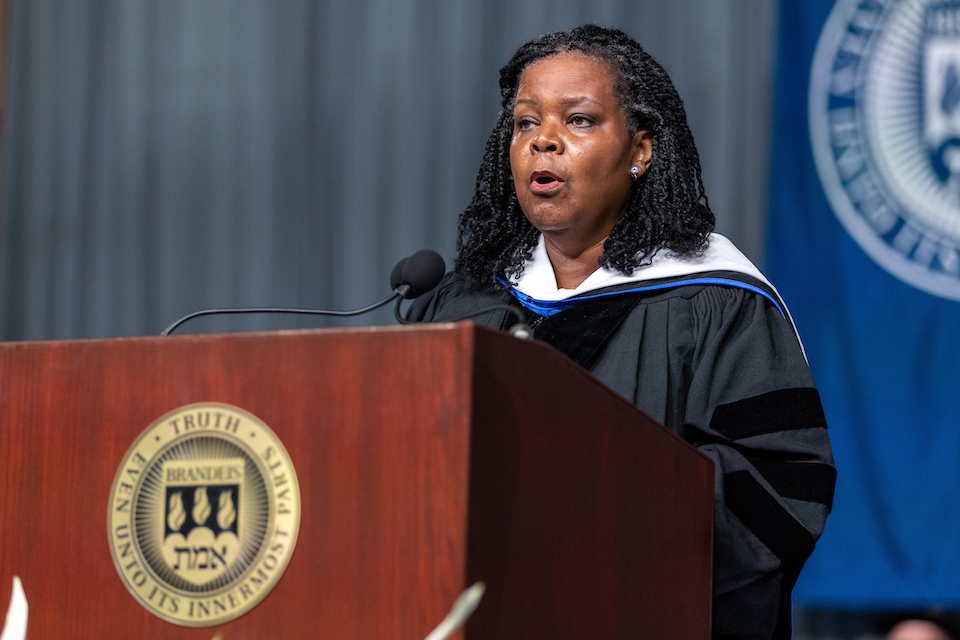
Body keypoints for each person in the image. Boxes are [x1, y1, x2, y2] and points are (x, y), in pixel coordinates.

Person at [408, 24, 835, 640]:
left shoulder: (713, 299)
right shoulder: (466, 302)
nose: (543, 143)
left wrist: (607, 504)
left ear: (640, 151)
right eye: (525, 124)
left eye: (577, 120)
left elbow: (782, 485)